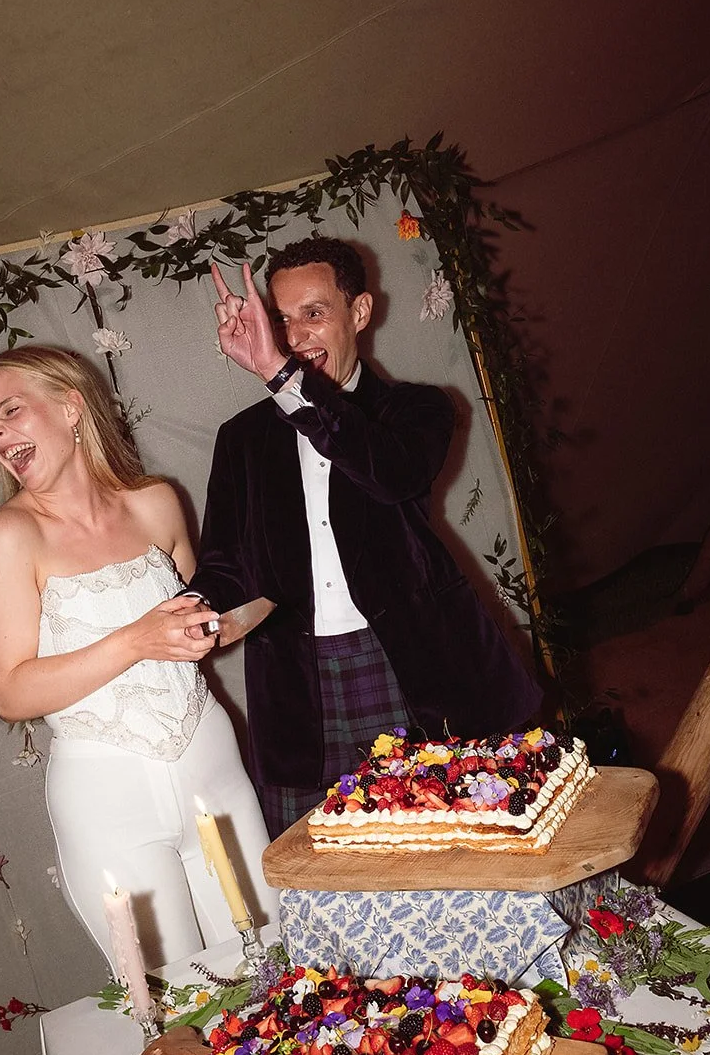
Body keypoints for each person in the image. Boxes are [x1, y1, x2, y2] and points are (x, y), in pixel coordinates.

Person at [187, 237, 544, 837]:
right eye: (282, 319)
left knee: (459, 847)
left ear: (359, 312)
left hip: (412, 667)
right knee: (323, 867)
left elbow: (390, 474)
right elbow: (227, 564)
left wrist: (280, 377)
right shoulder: (241, 439)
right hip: (298, 689)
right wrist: (192, 610)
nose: (295, 336)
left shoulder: (417, 409)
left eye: (314, 313)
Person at [0, 345, 278, 970]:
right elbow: (9, 692)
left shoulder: (157, 501)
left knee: (276, 967)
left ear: (71, 408)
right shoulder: (9, 536)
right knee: (182, 1001)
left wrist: (253, 606)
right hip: (108, 800)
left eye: (10, 411)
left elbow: (202, 619)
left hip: (215, 769)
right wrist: (135, 640)